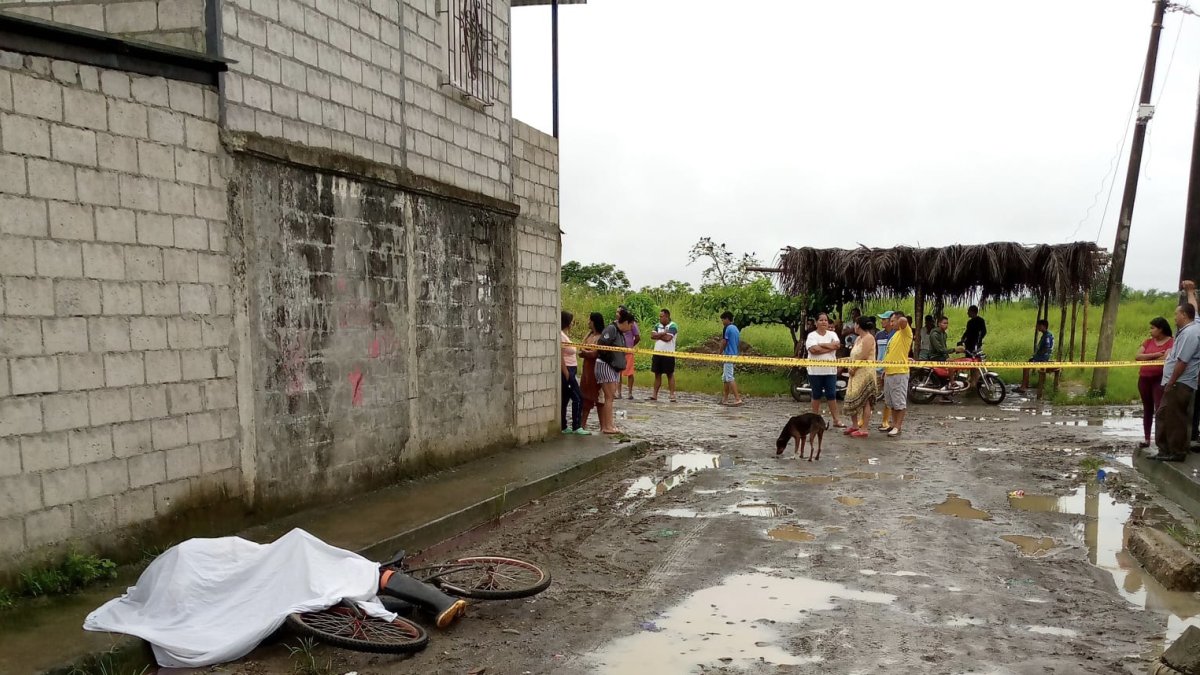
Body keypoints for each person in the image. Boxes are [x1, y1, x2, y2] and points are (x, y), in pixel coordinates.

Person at [1151, 289, 1200, 462]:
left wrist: (1171, 381)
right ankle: (1164, 449)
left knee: (1175, 418)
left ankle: (1177, 452)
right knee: (1163, 414)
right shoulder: (1193, 325)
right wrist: (1190, 292)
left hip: (1180, 382)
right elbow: (1195, 307)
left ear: (1184, 315)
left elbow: (1182, 361)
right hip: (1173, 382)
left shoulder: (1190, 334)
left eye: (1176, 314)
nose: (1174, 317)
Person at [1135, 317, 1174, 449]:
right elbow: (1138, 356)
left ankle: (1161, 441)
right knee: (1147, 409)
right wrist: (1155, 354)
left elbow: (1165, 358)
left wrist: (1150, 356)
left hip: (1159, 379)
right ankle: (1147, 439)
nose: (1150, 330)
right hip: (1144, 379)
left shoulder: (1171, 342)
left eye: (1152, 328)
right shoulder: (1148, 342)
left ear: (1161, 329)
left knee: (1159, 410)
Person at [595, 310, 633, 434]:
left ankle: (609, 425)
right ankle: (607, 427)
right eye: (631, 325)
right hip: (606, 366)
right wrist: (611, 360)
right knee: (609, 397)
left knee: (610, 397)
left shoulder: (620, 333)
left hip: (614, 368)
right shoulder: (611, 329)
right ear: (626, 322)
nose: (631, 328)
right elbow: (601, 346)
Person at [843, 316, 879, 438]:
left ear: (858, 325)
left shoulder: (869, 338)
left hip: (865, 372)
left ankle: (864, 428)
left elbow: (863, 356)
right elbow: (854, 355)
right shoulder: (858, 338)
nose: (854, 326)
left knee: (865, 400)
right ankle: (854, 425)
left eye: (855, 324)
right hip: (854, 372)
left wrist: (853, 368)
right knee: (853, 397)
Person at [805, 313, 844, 427]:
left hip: (830, 371)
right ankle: (814, 420)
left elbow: (837, 345)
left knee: (831, 395)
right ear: (816, 322)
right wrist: (829, 347)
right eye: (821, 320)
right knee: (816, 395)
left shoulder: (832, 334)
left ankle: (836, 420)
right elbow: (813, 350)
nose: (823, 322)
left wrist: (822, 345)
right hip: (815, 371)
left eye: (825, 320)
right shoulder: (812, 336)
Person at [881, 310, 913, 438]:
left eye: (893, 320)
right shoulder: (895, 334)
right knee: (891, 402)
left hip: (899, 372)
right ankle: (893, 424)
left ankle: (898, 426)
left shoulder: (905, 332)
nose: (891, 323)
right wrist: (885, 369)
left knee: (899, 402)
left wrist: (899, 319)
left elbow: (904, 321)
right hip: (889, 372)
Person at [559, 312, 588, 435]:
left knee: (565, 398)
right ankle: (577, 425)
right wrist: (566, 372)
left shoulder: (565, 335)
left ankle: (563, 425)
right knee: (578, 397)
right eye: (571, 321)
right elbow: (561, 356)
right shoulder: (561, 336)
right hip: (568, 370)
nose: (572, 323)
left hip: (572, 369)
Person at [579, 312, 605, 430]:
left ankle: (603, 425)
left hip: (596, 370)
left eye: (590, 320)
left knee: (599, 399)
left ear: (594, 322)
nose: (588, 322)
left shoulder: (601, 337)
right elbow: (582, 347)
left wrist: (586, 353)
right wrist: (585, 352)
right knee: (585, 398)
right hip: (586, 370)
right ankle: (582, 425)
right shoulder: (589, 335)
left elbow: (596, 353)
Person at [1017, 319, 1055, 393]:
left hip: (1042, 359)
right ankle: (1025, 384)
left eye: (1038, 325)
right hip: (1042, 357)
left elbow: (1046, 349)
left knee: (1026, 367)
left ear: (1043, 326)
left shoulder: (1047, 336)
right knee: (1027, 363)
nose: (1037, 327)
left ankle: (1023, 387)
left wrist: (1038, 358)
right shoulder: (1047, 335)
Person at [650, 309, 679, 402]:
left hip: (668, 354)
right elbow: (652, 336)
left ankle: (672, 394)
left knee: (669, 374)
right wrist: (663, 333)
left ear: (667, 316)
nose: (660, 318)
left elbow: (668, 338)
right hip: (657, 353)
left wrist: (658, 335)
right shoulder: (657, 325)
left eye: (661, 316)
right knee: (657, 374)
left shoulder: (673, 326)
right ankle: (654, 394)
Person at [875, 312, 895, 431]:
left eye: (884, 319)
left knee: (888, 397)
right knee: (872, 394)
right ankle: (864, 418)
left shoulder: (896, 335)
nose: (882, 321)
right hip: (878, 368)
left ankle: (885, 420)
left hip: (890, 369)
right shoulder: (879, 335)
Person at [616, 305, 640, 399]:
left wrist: (630, 346)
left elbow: (637, 337)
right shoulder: (615, 324)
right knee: (618, 372)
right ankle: (619, 392)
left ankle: (630, 393)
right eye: (616, 312)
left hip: (628, 351)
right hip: (618, 351)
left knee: (630, 372)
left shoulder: (632, 323)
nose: (617, 314)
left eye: (619, 312)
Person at [720, 311, 743, 406]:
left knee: (729, 377)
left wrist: (719, 352)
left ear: (727, 319)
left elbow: (724, 341)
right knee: (725, 377)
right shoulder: (736, 328)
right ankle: (725, 399)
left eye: (723, 320)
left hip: (729, 354)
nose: (722, 322)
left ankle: (737, 398)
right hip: (734, 354)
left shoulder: (727, 328)